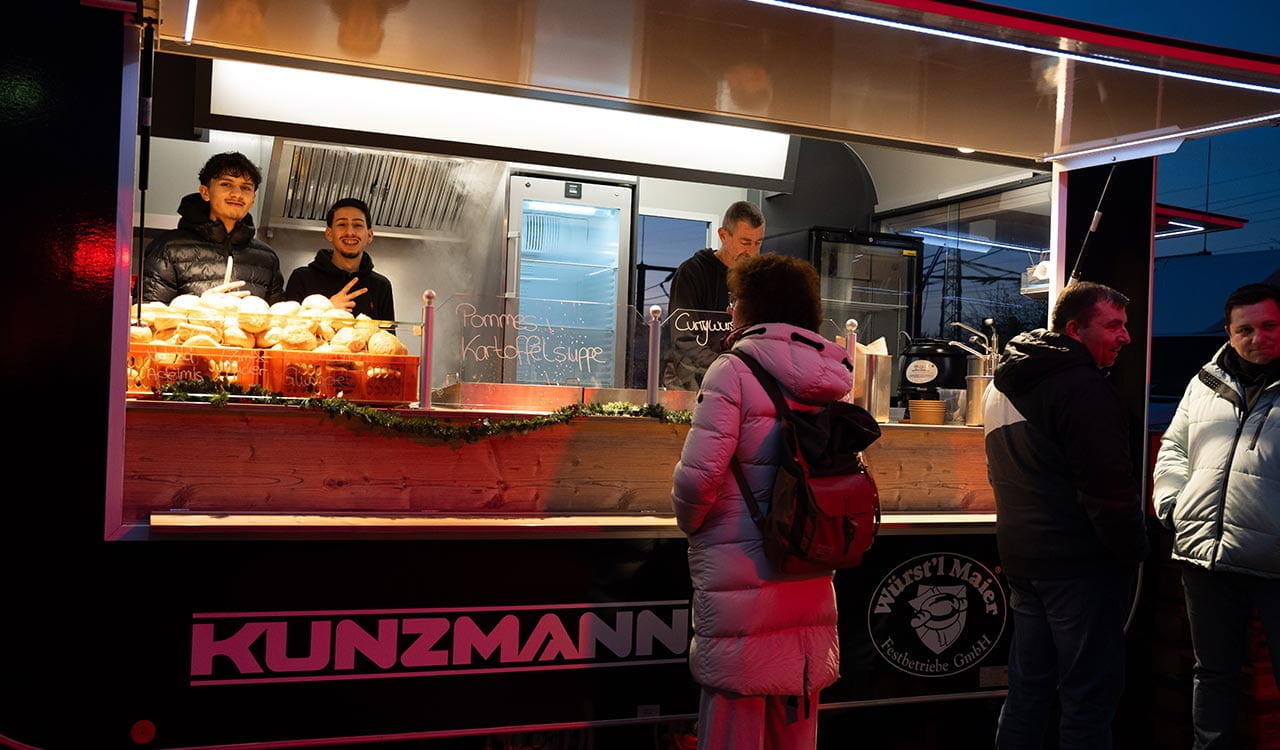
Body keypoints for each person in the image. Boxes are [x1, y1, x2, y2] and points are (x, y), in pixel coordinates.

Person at [671, 253, 848, 750]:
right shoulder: (831, 378)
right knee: (796, 713)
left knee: (736, 720)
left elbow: (699, 479)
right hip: (808, 565)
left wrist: (692, 522)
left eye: (736, 301)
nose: (730, 311)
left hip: (741, 571)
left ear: (752, 308)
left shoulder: (732, 369)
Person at [982, 280, 1149, 750]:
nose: (1125, 338)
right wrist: (1134, 550)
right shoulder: (1082, 388)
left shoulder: (1003, 384)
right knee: (1087, 700)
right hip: (1080, 566)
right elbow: (1108, 489)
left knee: (1027, 691)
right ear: (1075, 329)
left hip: (1023, 561)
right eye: (1113, 325)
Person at [1152, 282, 1280, 750]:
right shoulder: (1206, 382)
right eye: (1244, 329)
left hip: (1275, 561)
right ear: (1228, 333)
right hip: (1205, 555)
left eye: (1268, 326)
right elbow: (1174, 447)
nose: (1257, 337)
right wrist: (1172, 503)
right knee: (1213, 674)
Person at [142, 151, 285, 304]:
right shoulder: (168, 249)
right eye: (226, 184)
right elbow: (147, 314)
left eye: (246, 188)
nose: (237, 194)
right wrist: (199, 307)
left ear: (253, 199)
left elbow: (277, 321)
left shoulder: (266, 258)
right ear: (205, 192)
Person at [662, 200, 766, 391]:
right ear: (723, 235)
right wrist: (730, 367)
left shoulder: (759, 280)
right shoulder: (692, 273)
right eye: (745, 242)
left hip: (736, 384)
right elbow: (683, 340)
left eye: (757, 243)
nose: (751, 252)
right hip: (688, 386)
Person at [284, 197, 395, 320]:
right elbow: (287, 331)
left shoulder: (381, 286)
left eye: (357, 225)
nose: (350, 232)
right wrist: (328, 309)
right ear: (329, 234)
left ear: (369, 235)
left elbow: (388, 337)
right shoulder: (302, 278)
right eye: (342, 224)